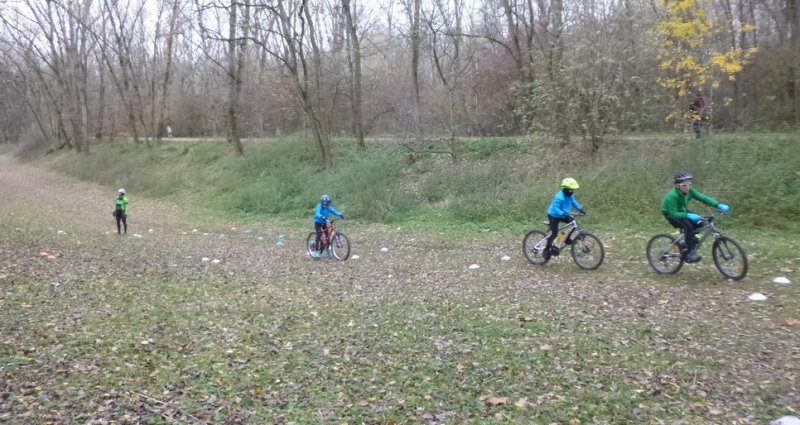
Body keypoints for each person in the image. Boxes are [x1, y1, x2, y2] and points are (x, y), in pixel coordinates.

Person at [661, 172, 730, 263]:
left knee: (700, 223)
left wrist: (717, 205)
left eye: (689, 184)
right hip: (670, 214)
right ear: (677, 186)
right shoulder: (672, 196)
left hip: (682, 211)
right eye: (684, 185)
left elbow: (702, 198)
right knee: (688, 226)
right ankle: (690, 252)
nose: (687, 187)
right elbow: (673, 213)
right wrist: (688, 215)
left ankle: (687, 243)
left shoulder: (690, 191)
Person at [543, 178, 585, 260]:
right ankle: (546, 250)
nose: (572, 192)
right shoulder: (559, 197)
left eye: (573, 190)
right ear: (565, 189)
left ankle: (567, 239)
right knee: (554, 233)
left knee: (573, 222)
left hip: (563, 214)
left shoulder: (571, 195)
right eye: (570, 190)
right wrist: (563, 214)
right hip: (553, 216)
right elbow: (555, 208)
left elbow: (574, 202)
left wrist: (580, 209)